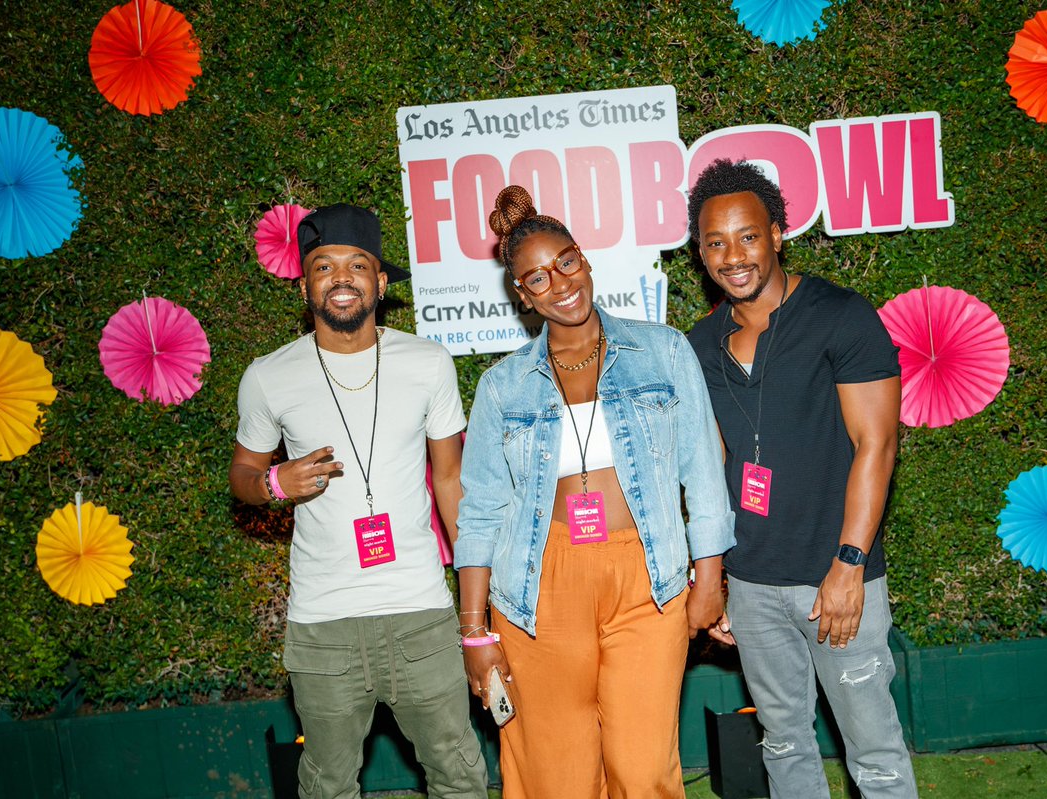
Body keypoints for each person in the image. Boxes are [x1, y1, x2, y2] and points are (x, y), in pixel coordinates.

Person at [452, 185, 735, 799]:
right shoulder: (503, 387)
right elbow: (480, 513)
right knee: (558, 774)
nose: (559, 283)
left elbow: (703, 472)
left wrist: (708, 577)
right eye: (537, 278)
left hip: (647, 575)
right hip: (538, 583)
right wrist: (476, 634)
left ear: (585, 259)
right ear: (521, 295)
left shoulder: (663, 351)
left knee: (643, 768)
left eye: (566, 263)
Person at [228, 204, 487, 799]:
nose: (341, 277)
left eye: (356, 265)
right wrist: (272, 483)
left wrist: (476, 596)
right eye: (324, 266)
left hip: (420, 612)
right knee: (327, 784)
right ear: (305, 284)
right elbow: (242, 472)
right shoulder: (269, 376)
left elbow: (450, 480)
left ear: (381, 281)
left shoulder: (428, 364)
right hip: (323, 624)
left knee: (459, 773)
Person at [686, 160, 918, 799]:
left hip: (833, 581)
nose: (733, 255)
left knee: (872, 749)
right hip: (753, 585)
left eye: (748, 236)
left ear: (778, 233)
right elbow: (711, 468)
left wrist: (849, 564)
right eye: (714, 242)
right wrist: (717, 578)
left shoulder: (840, 316)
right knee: (784, 742)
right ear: (700, 252)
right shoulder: (702, 344)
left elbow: (878, 443)